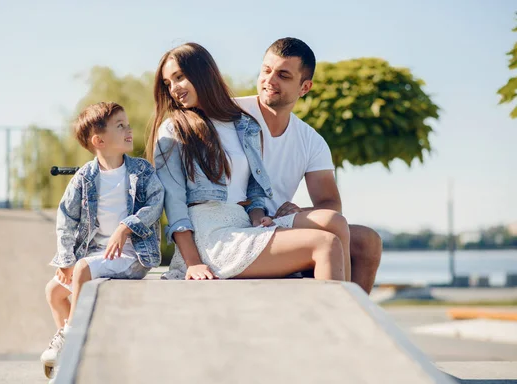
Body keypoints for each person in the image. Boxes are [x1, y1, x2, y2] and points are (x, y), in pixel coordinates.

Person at [146, 42, 349, 281]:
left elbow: (253, 186)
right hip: (210, 238)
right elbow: (174, 202)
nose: (174, 88)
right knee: (324, 244)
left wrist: (257, 215)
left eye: (179, 77)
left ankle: (340, 316)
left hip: (245, 226)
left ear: (202, 72)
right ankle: (340, 318)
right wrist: (193, 263)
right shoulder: (173, 129)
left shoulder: (243, 124)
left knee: (333, 230)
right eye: (168, 83)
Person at [235, 37, 382, 293]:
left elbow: (330, 204)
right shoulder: (231, 115)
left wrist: (296, 212)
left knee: (368, 241)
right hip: (239, 226)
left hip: (277, 226)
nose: (270, 81)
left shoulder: (311, 140)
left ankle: (353, 321)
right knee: (330, 233)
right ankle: (337, 313)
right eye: (266, 71)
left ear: (305, 87)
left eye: (283, 75)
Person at [40, 102, 164, 376]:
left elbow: (155, 203)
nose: (129, 129)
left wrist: (126, 227)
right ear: (99, 140)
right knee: (54, 291)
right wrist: (65, 259)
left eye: (127, 124)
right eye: (120, 126)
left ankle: (70, 342)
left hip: (132, 255)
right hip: (97, 253)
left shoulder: (141, 171)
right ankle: (67, 346)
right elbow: (65, 219)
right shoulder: (85, 177)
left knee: (83, 270)